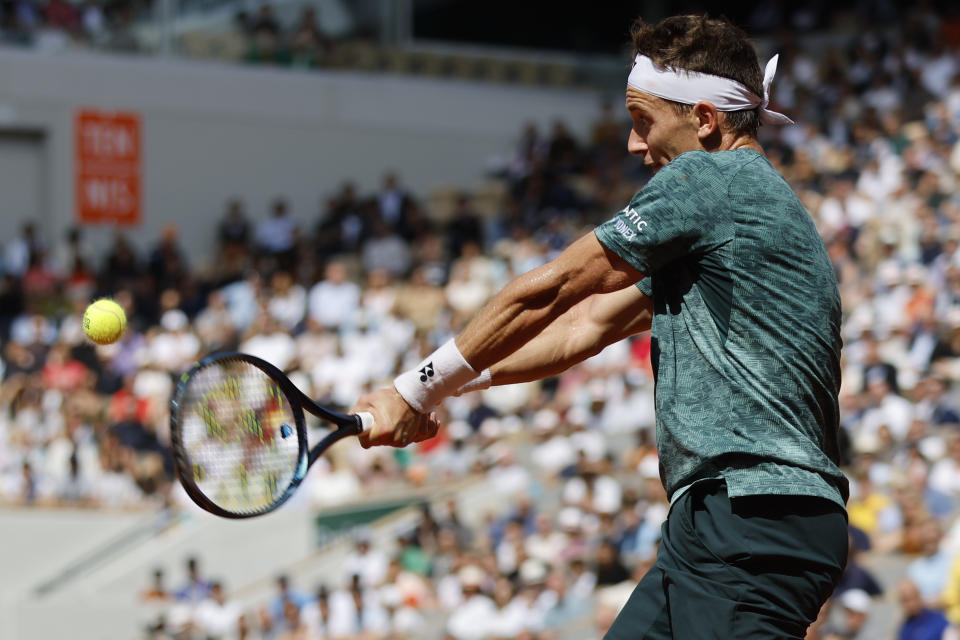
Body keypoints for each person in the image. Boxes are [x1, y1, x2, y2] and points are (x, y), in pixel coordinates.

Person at [352, 14, 849, 640]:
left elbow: (557, 288)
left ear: (704, 119)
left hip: (749, 516)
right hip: (726, 524)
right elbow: (584, 326)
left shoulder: (712, 180)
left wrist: (415, 389)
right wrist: (448, 388)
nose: (635, 146)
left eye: (644, 121)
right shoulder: (746, 216)